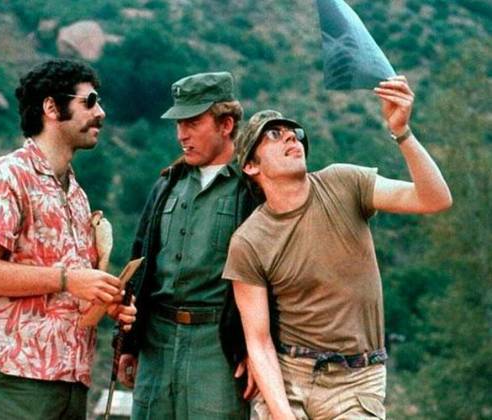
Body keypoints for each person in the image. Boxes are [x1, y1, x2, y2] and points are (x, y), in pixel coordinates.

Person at [223, 75, 452, 419]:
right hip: (291, 376)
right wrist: (283, 415)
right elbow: (259, 341)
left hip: (358, 381)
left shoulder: (344, 183)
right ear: (251, 165)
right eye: (274, 134)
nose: (290, 137)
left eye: (293, 133)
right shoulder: (249, 241)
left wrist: (402, 132)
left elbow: (435, 199)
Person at [0, 59, 136, 420]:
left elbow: (67, 292)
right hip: (14, 381)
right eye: (89, 101)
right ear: (51, 107)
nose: (100, 112)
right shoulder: (4, 178)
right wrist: (68, 279)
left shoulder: (76, 194)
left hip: (70, 381)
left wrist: (105, 300)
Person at [117, 71, 260, 419]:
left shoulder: (251, 188)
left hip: (218, 347)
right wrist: (128, 342)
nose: (182, 134)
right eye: (179, 124)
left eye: (193, 123)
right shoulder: (167, 185)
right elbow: (140, 263)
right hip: (157, 342)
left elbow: (271, 276)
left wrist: (255, 351)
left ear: (226, 124)